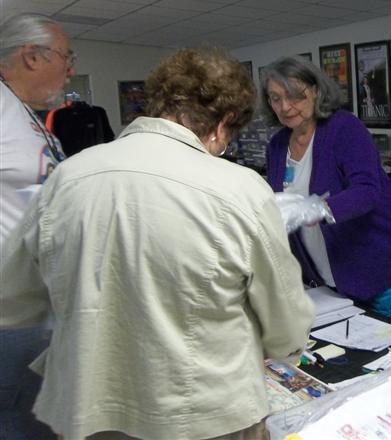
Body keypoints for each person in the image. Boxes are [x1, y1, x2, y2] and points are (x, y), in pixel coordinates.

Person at [0, 48, 313, 439]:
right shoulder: (241, 188)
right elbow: (284, 327)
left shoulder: (67, 177)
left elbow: (13, 299)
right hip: (205, 415)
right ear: (223, 124)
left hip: (93, 411)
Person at [263, 56, 391, 321]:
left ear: (315, 90)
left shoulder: (343, 128)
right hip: (328, 270)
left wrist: (320, 209)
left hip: (379, 258)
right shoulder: (277, 145)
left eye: (295, 95)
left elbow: (366, 190)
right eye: (275, 98)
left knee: (388, 345)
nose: (285, 106)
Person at [0, 13, 74, 439]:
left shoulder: (29, 118)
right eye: (65, 57)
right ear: (31, 56)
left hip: (43, 312)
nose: (69, 69)